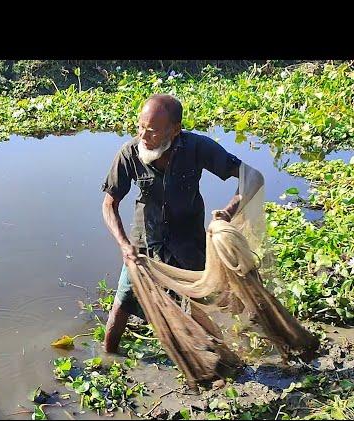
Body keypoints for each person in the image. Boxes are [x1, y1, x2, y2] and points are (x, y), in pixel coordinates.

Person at [101, 93, 264, 353]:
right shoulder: (130, 153)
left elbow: (252, 177)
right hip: (145, 246)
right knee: (122, 302)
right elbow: (109, 204)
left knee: (207, 301)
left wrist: (228, 211)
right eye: (140, 127)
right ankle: (109, 357)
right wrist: (124, 245)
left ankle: (231, 348)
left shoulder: (197, 148)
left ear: (175, 130)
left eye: (152, 131)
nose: (143, 136)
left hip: (188, 244)